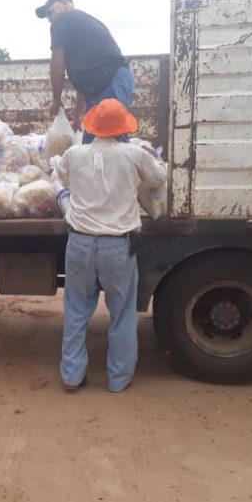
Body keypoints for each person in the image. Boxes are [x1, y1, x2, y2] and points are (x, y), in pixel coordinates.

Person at [53, 98, 167, 393]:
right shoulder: (134, 154)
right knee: (122, 314)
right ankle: (118, 380)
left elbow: (61, 176)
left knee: (76, 312)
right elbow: (157, 178)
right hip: (117, 246)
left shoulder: (74, 153)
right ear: (123, 128)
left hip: (78, 243)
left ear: (91, 127)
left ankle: (71, 377)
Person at [36, 0, 135, 143]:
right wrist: (78, 115)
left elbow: (57, 64)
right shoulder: (78, 25)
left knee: (113, 138)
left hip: (110, 80)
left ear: (64, 2)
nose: (50, 18)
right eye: (47, 16)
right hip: (104, 82)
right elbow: (84, 77)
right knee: (90, 144)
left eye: (50, 11)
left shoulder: (63, 20)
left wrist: (56, 100)